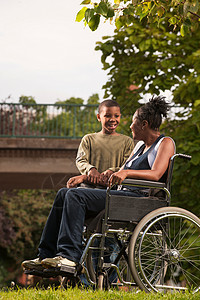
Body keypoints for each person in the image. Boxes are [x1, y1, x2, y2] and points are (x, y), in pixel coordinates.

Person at [22, 95, 175, 273]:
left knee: (75, 196)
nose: (130, 125)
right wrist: (86, 177)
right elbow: (115, 174)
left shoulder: (165, 143)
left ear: (144, 124)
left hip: (138, 199)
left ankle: (69, 257)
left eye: (133, 121)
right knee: (64, 193)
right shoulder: (139, 147)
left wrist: (125, 172)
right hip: (121, 194)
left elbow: (156, 174)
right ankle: (44, 255)